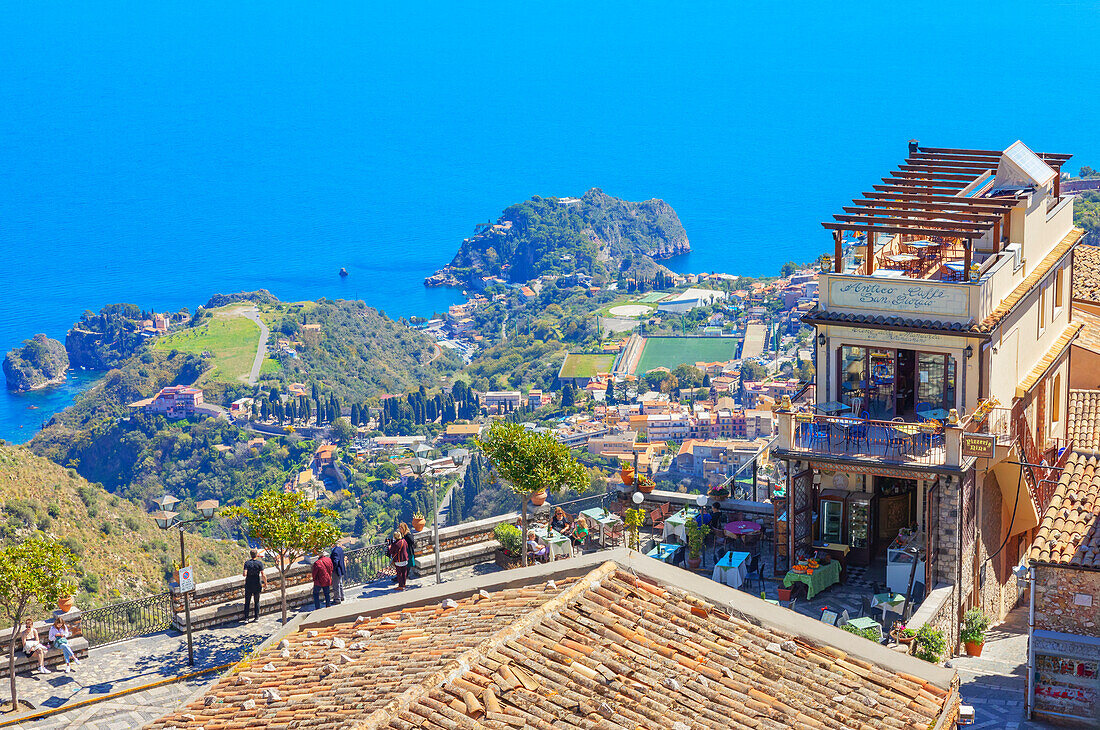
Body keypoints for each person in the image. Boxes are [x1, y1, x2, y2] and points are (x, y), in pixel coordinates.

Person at [242, 549, 268, 622]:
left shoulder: (247, 563)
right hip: (257, 583)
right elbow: (263, 574)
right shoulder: (259, 563)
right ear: (256, 555)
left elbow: (244, 574)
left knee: (247, 601)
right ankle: (256, 617)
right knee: (257, 601)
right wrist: (265, 583)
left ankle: (246, 618)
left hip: (249, 584)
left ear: (250, 555)